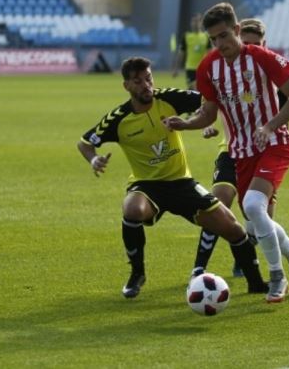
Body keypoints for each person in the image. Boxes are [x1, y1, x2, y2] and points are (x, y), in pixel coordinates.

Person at [77, 56, 268, 299]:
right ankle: (137, 274)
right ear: (127, 86)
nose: (146, 85)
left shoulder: (168, 98)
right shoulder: (117, 119)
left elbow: (207, 102)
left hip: (182, 183)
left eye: (148, 78)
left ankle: (255, 282)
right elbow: (84, 143)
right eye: (138, 81)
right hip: (146, 186)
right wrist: (94, 159)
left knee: (232, 228)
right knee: (132, 208)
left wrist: (200, 121)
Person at [163, 3, 289, 303]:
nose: (220, 44)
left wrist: (270, 126)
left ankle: (276, 277)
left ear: (237, 30)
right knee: (255, 215)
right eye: (214, 39)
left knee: (254, 207)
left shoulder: (262, 57)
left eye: (224, 36)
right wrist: (186, 124)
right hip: (240, 152)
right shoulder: (208, 67)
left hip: (275, 144)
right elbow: (208, 114)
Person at [193, 18, 287, 278]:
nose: (249, 48)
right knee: (219, 200)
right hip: (230, 149)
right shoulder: (221, 71)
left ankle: (252, 258)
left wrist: (268, 130)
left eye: (255, 44)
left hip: (264, 150)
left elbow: (280, 114)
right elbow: (212, 108)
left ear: (264, 45)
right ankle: (199, 266)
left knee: (258, 213)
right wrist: (206, 126)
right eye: (246, 43)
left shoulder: (268, 78)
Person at [172, 13, 211, 87]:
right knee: (192, 91)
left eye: (197, 21)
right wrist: (176, 68)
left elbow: (210, 54)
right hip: (190, 68)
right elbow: (181, 54)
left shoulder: (206, 36)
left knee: (201, 90)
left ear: (201, 23)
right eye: (193, 21)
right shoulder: (186, 36)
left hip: (202, 69)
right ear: (191, 23)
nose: (195, 23)